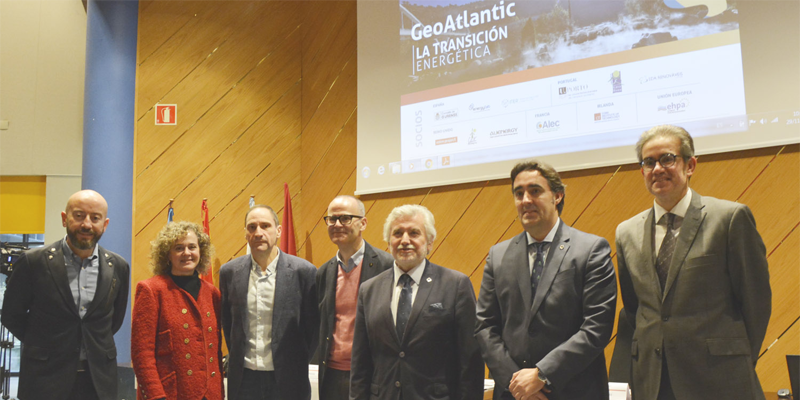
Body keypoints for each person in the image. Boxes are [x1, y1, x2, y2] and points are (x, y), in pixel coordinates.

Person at [615, 125, 771, 400]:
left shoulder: (729, 218)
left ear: (690, 165)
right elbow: (634, 308)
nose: (657, 168)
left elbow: (756, 301)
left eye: (667, 158)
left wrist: (739, 358)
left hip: (720, 377)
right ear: (642, 171)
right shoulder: (626, 232)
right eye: (649, 162)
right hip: (653, 380)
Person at [475, 161, 617, 400]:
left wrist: (541, 375)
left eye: (535, 190)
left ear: (557, 196)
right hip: (514, 393)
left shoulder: (591, 249)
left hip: (574, 390)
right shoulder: (498, 255)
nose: (526, 200)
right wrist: (518, 383)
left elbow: (596, 327)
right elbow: (485, 326)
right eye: (518, 193)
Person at [1, 190, 130, 400]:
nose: (87, 224)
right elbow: (11, 315)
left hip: (98, 381)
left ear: (104, 224)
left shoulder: (118, 266)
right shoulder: (33, 262)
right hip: (44, 379)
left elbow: (113, 321)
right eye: (79, 215)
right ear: (64, 218)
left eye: (95, 218)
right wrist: (43, 343)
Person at [350, 204, 484, 400]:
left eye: (414, 233)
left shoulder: (455, 285)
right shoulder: (369, 290)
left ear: (429, 242)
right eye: (397, 233)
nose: (405, 240)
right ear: (388, 242)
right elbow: (360, 363)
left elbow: (470, 361)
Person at [219, 205, 319, 400]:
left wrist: (295, 361)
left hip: (288, 379)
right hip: (244, 380)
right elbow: (228, 324)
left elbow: (313, 328)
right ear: (246, 234)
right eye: (252, 227)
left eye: (265, 226)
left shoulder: (304, 272)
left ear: (278, 231)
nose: (258, 233)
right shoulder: (229, 272)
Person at [131, 221, 223, 400]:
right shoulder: (151, 290)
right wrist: (156, 396)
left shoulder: (212, 293)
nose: (187, 253)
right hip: (169, 394)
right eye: (179, 248)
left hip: (210, 395)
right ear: (167, 254)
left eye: (192, 247)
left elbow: (215, 351)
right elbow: (142, 353)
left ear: (201, 251)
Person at [316, 195, 393, 400]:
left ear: (363, 223)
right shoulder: (323, 272)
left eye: (345, 218)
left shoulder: (387, 267)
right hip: (330, 375)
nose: (337, 224)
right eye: (332, 219)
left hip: (372, 375)